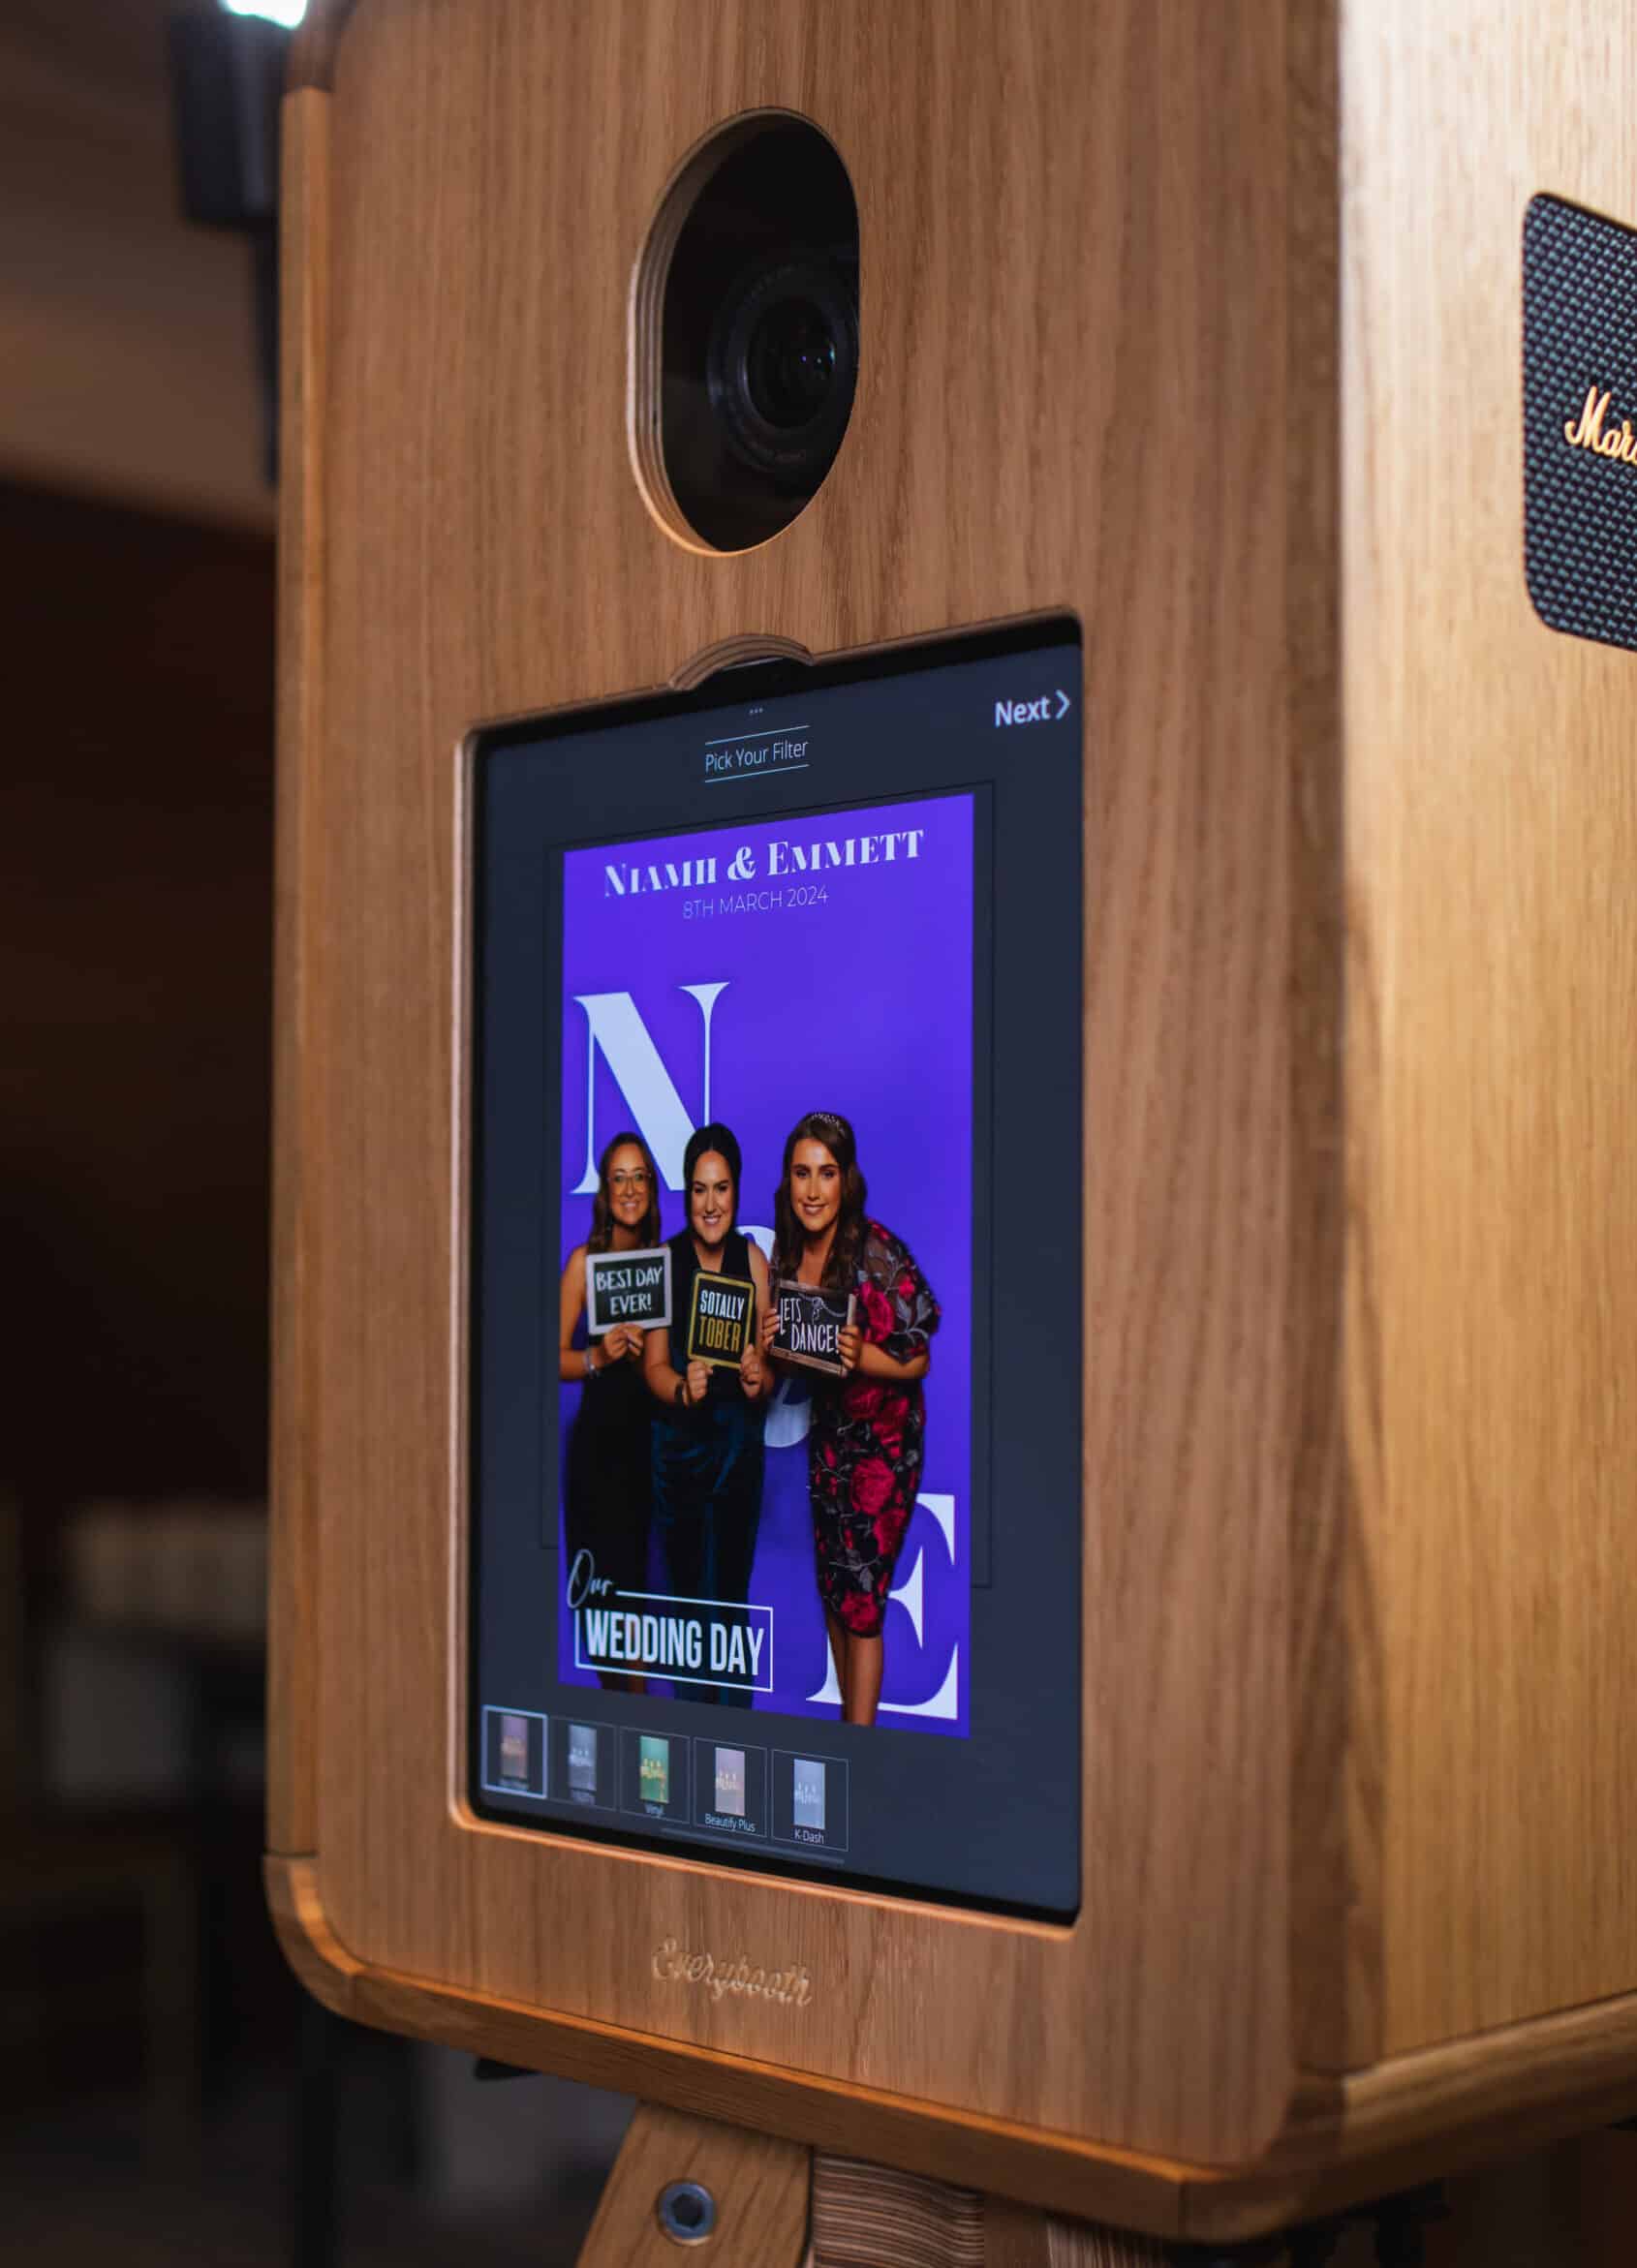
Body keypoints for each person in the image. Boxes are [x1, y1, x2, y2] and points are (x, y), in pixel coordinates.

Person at [763, 1110, 940, 1727]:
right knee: (836, 1594)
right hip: (831, 1441)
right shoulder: (788, 1253)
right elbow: (793, 1360)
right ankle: (849, 1730)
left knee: (862, 1603)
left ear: (846, 1181)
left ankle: (857, 1751)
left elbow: (917, 1359)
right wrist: (768, 1342)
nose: (813, 1190)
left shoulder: (875, 1250)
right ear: (788, 1182)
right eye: (802, 1174)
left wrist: (862, 1355)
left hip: (883, 1449)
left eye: (827, 1174)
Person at [643, 1122, 772, 1705]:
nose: (711, 1203)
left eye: (721, 1189)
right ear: (686, 1194)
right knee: (689, 1605)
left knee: (731, 1603)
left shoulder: (753, 1259)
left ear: (737, 1192)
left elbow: (767, 1373)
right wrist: (682, 1388)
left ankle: (737, 1746)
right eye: (699, 1189)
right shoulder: (662, 1262)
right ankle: (694, 1733)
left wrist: (756, 1377)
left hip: (739, 1454)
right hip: (680, 1455)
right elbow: (651, 1370)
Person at [558, 1131, 662, 1693]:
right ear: (605, 1189)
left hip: (646, 1451)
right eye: (618, 1177)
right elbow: (548, 1357)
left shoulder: (663, 1264)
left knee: (638, 1595)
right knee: (599, 1598)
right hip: (597, 1456)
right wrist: (598, 1356)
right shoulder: (584, 1263)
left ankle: (635, 1717)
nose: (629, 1189)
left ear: (650, 1186)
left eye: (639, 1176)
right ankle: (612, 1709)